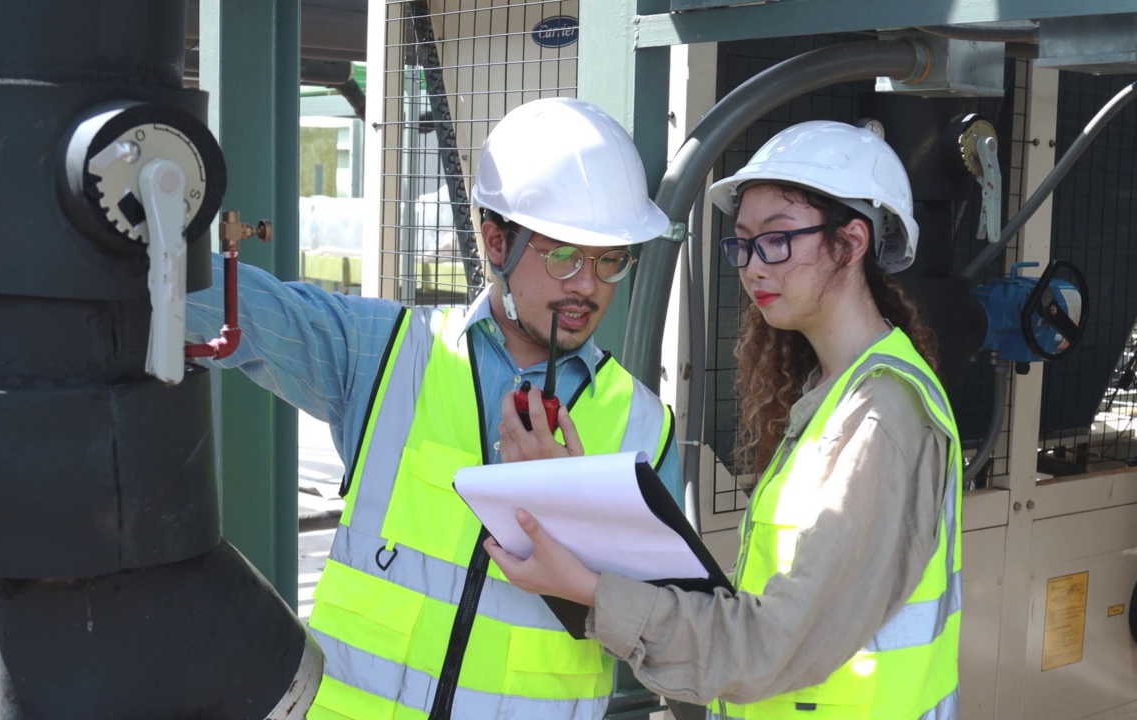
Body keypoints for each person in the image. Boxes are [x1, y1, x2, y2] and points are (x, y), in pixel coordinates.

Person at [186, 96, 682, 719]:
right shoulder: (386, 354)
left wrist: (569, 506)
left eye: (610, 261)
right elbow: (235, 308)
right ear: (496, 241)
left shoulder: (645, 429)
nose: (588, 284)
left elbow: (670, 639)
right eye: (564, 256)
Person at [488, 120, 963, 719]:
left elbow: (768, 646)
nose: (754, 266)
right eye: (743, 243)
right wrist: (574, 511)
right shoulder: (834, 395)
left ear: (852, 241)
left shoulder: (880, 417)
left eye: (778, 239)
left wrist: (587, 589)